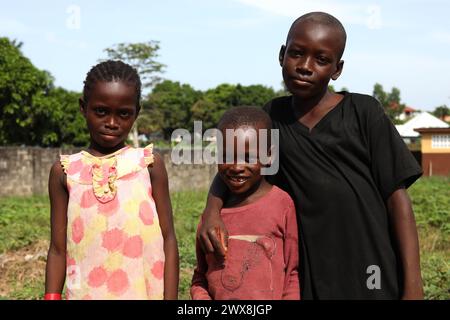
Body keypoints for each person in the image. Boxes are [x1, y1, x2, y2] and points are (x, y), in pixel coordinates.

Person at [198, 12, 424, 299]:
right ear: (282, 55)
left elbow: (397, 198)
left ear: (337, 69)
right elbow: (234, 164)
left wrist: (413, 283)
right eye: (297, 53)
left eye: (321, 59)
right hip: (307, 267)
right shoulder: (272, 117)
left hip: (369, 262)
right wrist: (211, 211)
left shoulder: (363, 112)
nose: (305, 66)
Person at [44, 60, 179, 300]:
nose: (112, 122)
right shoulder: (65, 172)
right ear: (83, 108)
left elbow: (168, 238)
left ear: (136, 113)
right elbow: (57, 249)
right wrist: (51, 296)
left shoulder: (149, 165)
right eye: (101, 111)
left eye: (124, 113)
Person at [191, 106, 300, 300]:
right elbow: (200, 277)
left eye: (248, 157)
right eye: (226, 156)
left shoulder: (282, 205)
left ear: (269, 156)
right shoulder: (210, 219)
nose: (236, 167)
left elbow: (292, 273)